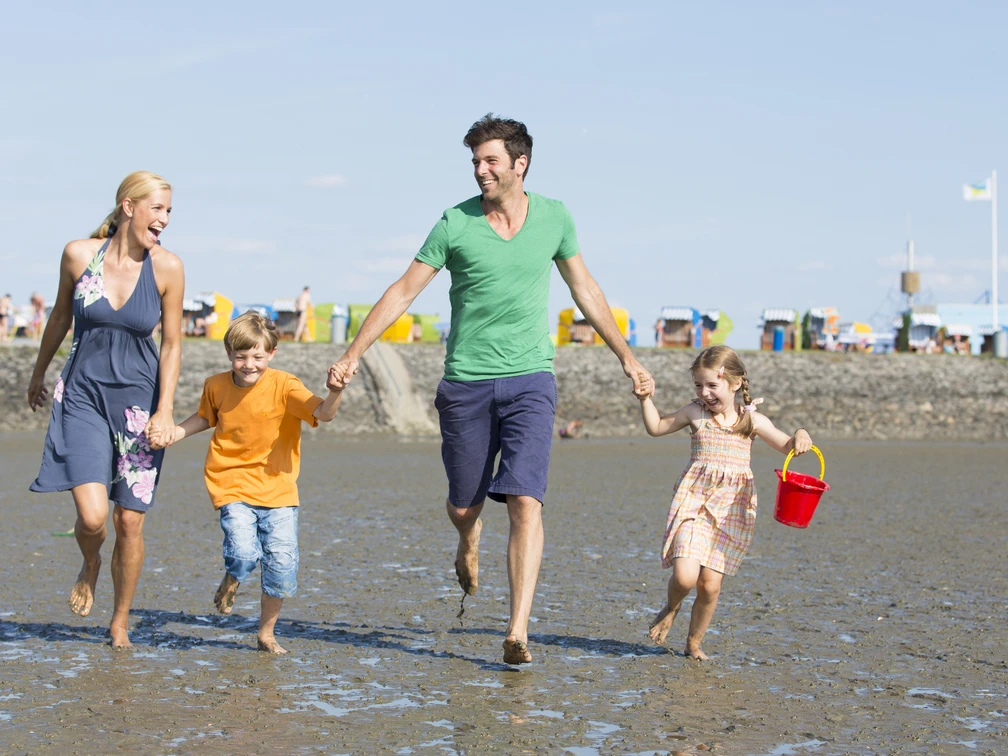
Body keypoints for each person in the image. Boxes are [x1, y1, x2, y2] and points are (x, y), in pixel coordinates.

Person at [329, 114, 652, 664]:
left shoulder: (555, 217)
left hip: (531, 379)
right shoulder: (454, 223)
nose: (480, 170)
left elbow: (585, 289)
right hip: (466, 383)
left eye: (490, 160)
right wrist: (353, 352)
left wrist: (627, 356)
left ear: (520, 164)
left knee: (526, 500)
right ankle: (467, 536)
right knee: (464, 507)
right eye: (475, 161)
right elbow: (403, 291)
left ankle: (518, 629)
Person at [27, 171, 183, 649]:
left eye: (170, 211)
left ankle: (119, 620)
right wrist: (38, 373)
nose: (165, 219)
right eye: (157, 208)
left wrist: (165, 410)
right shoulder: (78, 255)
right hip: (83, 398)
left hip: (139, 405)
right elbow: (60, 316)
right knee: (94, 519)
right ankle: (91, 561)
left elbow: (172, 345)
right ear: (128, 207)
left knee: (129, 521)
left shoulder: (168, 268)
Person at [160, 311, 344, 654]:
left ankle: (266, 633)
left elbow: (324, 413)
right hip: (231, 483)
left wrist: (335, 392)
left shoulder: (285, 385)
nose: (249, 365)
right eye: (241, 356)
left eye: (258, 357)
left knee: (281, 566)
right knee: (244, 553)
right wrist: (176, 432)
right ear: (229, 353)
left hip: (280, 490)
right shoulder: (216, 385)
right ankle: (234, 575)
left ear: (272, 353)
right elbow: (205, 417)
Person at [636, 345, 812, 660]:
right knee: (685, 577)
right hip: (694, 504)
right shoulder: (695, 413)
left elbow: (787, 445)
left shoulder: (752, 420)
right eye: (698, 385)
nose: (704, 393)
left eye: (712, 385)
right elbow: (657, 427)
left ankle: (693, 644)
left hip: (732, 510)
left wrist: (800, 434)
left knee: (709, 586)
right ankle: (671, 607)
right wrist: (645, 399)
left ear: (735, 383)